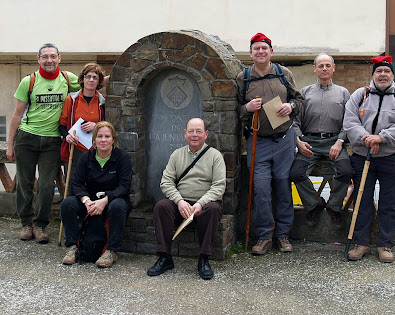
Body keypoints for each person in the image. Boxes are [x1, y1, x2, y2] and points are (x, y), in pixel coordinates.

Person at [236, 33, 304, 255]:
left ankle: (283, 235)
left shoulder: (284, 74)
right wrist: (246, 109)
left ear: (271, 52)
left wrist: (291, 107)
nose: (261, 52)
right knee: (261, 189)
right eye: (256, 49)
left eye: (264, 48)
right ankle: (264, 236)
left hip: (285, 139)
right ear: (251, 53)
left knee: (283, 186)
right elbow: (234, 109)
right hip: (258, 141)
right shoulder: (243, 77)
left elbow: (300, 100)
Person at [6, 43, 81, 244]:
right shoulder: (28, 81)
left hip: (52, 140)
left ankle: (40, 225)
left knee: (47, 185)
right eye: (45, 57)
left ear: (59, 58)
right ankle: (25, 223)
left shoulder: (67, 79)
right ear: (38, 59)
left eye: (53, 56)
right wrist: (10, 144)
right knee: (24, 182)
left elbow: (92, 83)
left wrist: (110, 76)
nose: (49, 60)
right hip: (27, 138)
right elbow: (17, 114)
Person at [343, 56, 395, 263]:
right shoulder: (360, 94)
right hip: (362, 155)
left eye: (387, 71)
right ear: (373, 74)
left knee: (389, 202)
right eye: (379, 71)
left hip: (391, 157)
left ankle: (384, 245)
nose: (383, 74)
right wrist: (366, 139)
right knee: (362, 200)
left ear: (392, 75)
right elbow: (350, 121)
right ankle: (361, 243)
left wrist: (381, 138)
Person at [147, 118, 226, 280]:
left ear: (206, 134)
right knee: (161, 206)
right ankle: (165, 257)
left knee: (214, 209)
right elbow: (166, 181)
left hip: (204, 204)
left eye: (198, 131)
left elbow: (219, 186)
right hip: (181, 203)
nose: (194, 135)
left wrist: (200, 203)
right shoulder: (177, 154)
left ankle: (204, 259)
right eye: (191, 131)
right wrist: (179, 201)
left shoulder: (215, 156)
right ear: (185, 134)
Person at [290, 53, 353, 229]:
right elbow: (294, 121)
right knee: (295, 173)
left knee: (347, 171)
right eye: (320, 66)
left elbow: (349, 122)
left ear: (333, 68)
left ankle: (334, 207)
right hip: (309, 142)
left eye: (327, 65)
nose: (324, 69)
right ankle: (314, 204)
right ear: (314, 69)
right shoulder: (304, 93)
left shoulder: (343, 93)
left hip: (334, 142)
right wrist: (298, 141)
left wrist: (340, 141)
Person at [60, 121, 132, 268]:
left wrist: (104, 201)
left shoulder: (122, 158)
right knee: (67, 203)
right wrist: (86, 201)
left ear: (113, 139)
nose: (103, 140)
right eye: (99, 136)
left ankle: (111, 250)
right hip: (90, 200)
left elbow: (124, 187)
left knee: (118, 206)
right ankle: (73, 247)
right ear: (94, 140)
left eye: (107, 136)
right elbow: (77, 183)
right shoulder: (86, 157)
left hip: (114, 200)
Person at [59, 62, 106, 195]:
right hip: (75, 150)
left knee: (94, 185)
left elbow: (109, 127)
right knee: (73, 185)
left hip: (96, 150)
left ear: (99, 82)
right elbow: (62, 124)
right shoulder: (71, 100)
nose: (91, 80)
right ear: (82, 79)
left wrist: (96, 126)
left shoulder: (103, 102)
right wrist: (67, 136)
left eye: (95, 77)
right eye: (88, 76)